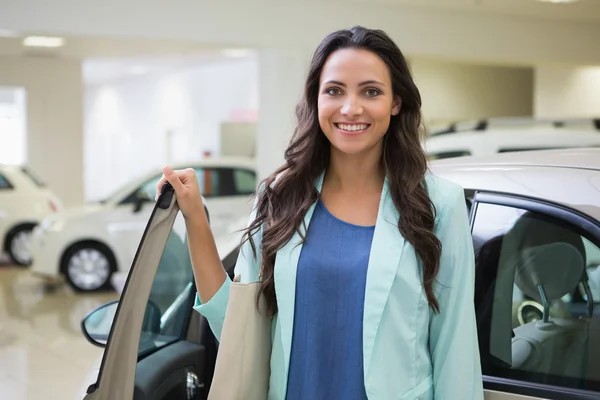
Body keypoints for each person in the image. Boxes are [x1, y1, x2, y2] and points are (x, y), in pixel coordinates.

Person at [156, 25, 483, 400]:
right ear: (316, 99)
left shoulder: (439, 204)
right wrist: (196, 218)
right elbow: (237, 326)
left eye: (371, 92)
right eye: (334, 90)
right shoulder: (280, 197)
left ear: (396, 103)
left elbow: (455, 347)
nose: (350, 108)